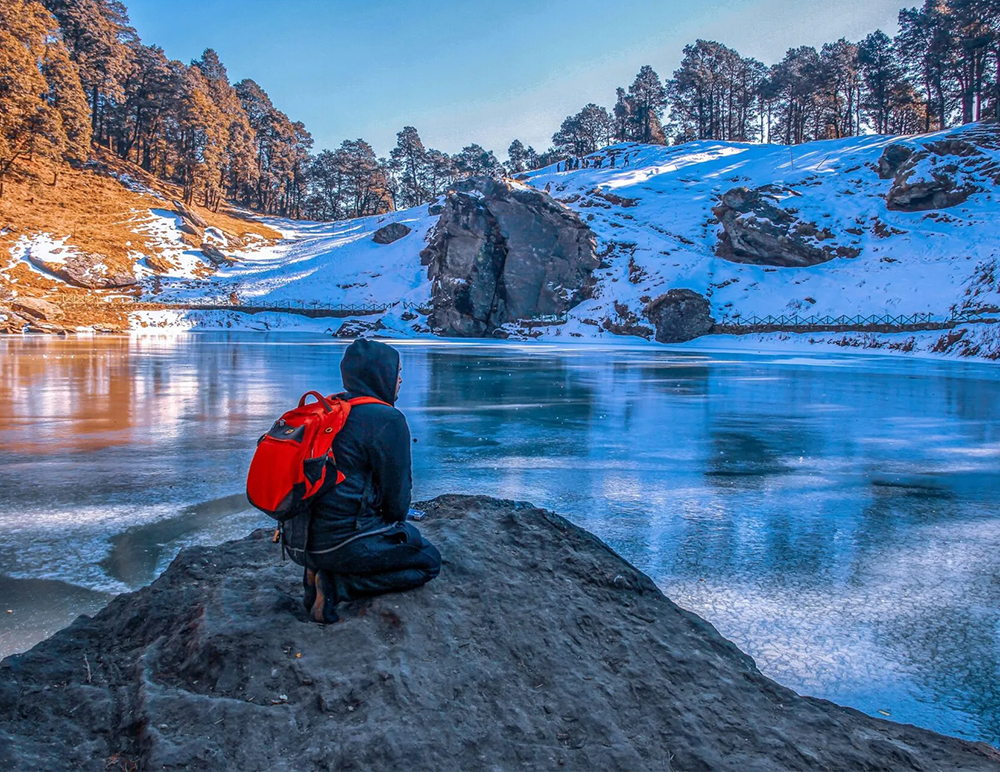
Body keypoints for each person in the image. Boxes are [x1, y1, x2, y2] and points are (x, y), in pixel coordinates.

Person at [294, 338, 441, 623]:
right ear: (380, 374)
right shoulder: (387, 420)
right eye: (396, 371)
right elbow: (397, 506)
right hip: (341, 544)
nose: (399, 379)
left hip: (302, 542)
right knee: (427, 560)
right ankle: (338, 585)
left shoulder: (329, 409)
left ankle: (315, 571)